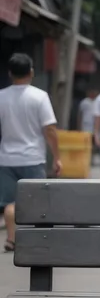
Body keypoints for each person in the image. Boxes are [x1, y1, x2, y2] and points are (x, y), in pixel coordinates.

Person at [0, 53, 62, 252]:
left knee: (10, 202)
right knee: (37, 201)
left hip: (7, 158)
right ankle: (37, 240)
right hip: (33, 158)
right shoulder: (39, 96)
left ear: (10, 73)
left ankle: (11, 239)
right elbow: (50, 129)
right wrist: (57, 157)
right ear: (31, 72)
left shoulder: (1, 96)